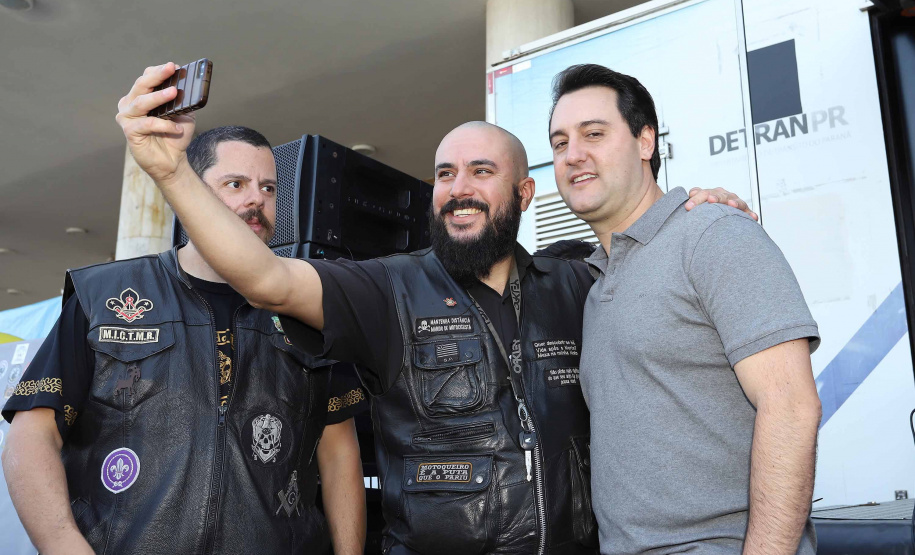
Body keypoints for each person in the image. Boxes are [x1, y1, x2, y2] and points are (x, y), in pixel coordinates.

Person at [113, 62, 751, 555]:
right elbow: (265, 279)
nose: (458, 189)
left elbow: (643, 243)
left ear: (524, 192)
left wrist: (689, 210)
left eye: (481, 172)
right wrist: (171, 173)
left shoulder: (578, 281)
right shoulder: (386, 290)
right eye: (445, 174)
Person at [1, 125, 367, 555]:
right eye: (236, 184)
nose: (256, 200)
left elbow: (339, 452)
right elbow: (33, 432)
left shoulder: (308, 309)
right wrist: (63, 545)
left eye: (268, 188)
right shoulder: (104, 296)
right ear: (191, 192)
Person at [548, 63, 822, 555]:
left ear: (645, 142)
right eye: (560, 142)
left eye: (594, 134)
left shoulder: (713, 234)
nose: (574, 155)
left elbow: (791, 407)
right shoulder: (594, 286)